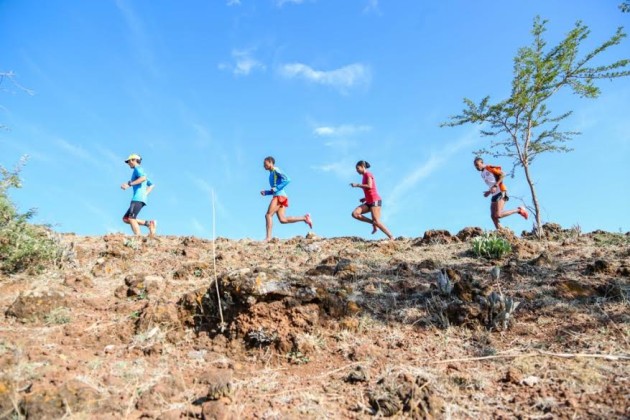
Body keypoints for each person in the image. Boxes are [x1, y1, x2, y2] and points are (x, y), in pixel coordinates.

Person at [260, 156, 312, 241]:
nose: (263, 165)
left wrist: (276, 189)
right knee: (283, 219)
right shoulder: (271, 174)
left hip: (279, 196)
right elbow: (275, 188)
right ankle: (305, 218)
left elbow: (287, 179)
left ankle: (268, 238)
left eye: (265, 163)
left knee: (268, 215)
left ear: (270, 162)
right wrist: (266, 192)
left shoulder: (275, 170)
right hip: (279, 195)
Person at [473, 157, 528, 229]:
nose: (476, 167)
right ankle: (501, 232)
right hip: (494, 194)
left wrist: (496, 186)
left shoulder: (489, 168)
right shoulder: (482, 174)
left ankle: (519, 210)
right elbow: (492, 183)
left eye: (477, 164)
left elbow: (503, 174)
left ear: (482, 163)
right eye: (475, 166)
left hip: (501, 191)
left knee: (498, 214)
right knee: (493, 216)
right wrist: (489, 192)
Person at [350, 160, 394, 239]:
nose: (356, 170)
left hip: (375, 201)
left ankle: (391, 237)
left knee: (377, 221)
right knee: (355, 214)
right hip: (369, 201)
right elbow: (370, 190)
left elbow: (369, 186)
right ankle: (373, 223)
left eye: (358, 168)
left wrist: (357, 185)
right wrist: (365, 198)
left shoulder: (368, 174)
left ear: (363, 166)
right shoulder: (364, 176)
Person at [120, 153, 157, 236]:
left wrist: (129, 184)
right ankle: (149, 223)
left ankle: (138, 236)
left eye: (129, 161)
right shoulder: (140, 171)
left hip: (137, 198)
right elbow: (151, 184)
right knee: (126, 219)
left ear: (134, 160)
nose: (128, 163)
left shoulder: (137, 169)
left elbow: (143, 179)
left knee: (131, 218)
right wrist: (145, 194)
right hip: (140, 197)